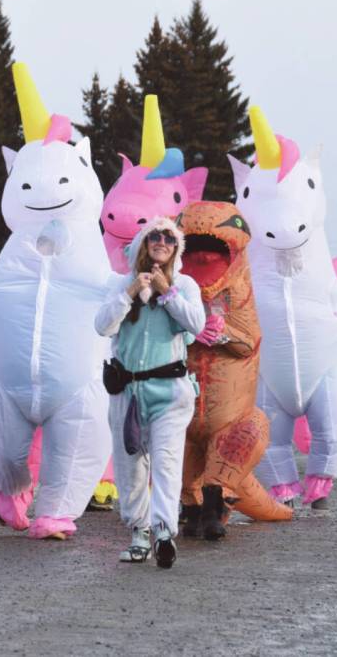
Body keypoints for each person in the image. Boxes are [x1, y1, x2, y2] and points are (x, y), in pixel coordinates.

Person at [94, 217, 205, 568]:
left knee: (167, 462)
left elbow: (196, 325)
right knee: (130, 467)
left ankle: (163, 532)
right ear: (142, 245)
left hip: (169, 392)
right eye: (154, 237)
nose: (161, 242)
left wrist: (167, 291)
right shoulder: (121, 285)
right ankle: (139, 532)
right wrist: (130, 293)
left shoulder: (184, 285)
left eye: (169, 238)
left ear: (176, 249)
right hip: (126, 392)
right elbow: (102, 326)